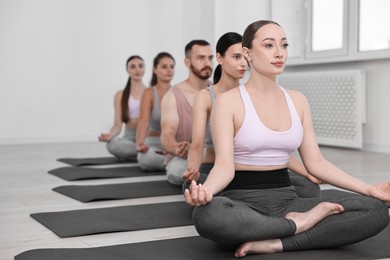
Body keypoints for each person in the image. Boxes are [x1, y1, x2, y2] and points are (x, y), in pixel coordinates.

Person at [184, 20, 390, 258]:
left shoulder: (298, 100)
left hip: (288, 200)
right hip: (242, 202)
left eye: (284, 45)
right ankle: (297, 227)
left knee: (374, 210)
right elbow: (224, 167)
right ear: (248, 53)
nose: (279, 53)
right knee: (208, 216)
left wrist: (369, 189)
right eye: (269, 45)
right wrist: (204, 191)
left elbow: (317, 164)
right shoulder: (228, 102)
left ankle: (276, 242)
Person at [183, 32, 322, 198]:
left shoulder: (253, 95)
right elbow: (197, 144)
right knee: (194, 190)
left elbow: (271, 148)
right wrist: (193, 172)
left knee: (310, 188)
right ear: (220, 59)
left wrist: (308, 172)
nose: (243, 64)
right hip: (215, 170)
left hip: (253, 174)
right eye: (236, 57)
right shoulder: (206, 96)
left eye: (244, 57)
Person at [160, 40, 213, 185]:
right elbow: (167, 135)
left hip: (213, 156)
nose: (207, 63)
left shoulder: (217, 92)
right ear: (187, 62)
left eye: (210, 58)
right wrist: (178, 149)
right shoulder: (172, 96)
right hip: (183, 159)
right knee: (185, 170)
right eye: (201, 58)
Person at [99, 55, 146, 160]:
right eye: (133, 67)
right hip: (129, 138)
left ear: (145, 69)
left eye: (140, 66)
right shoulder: (120, 95)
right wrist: (109, 135)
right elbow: (117, 125)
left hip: (147, 137)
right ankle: (143, 152)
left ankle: (136, 154)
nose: (137, 70)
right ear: (127, 70)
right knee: (112, 144)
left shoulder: (151, 92)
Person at [136, 52, 175, 171]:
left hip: (173, 144)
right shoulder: (149, 93)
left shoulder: (178, 91)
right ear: (155, 70)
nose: (169, 70)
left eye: (172, 66)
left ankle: (173, 161)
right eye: (164, 67)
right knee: (146, 158)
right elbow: (143, 122)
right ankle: (173, 164)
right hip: (154, 144)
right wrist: (140, 143)